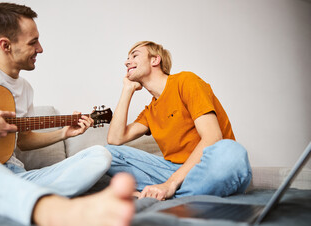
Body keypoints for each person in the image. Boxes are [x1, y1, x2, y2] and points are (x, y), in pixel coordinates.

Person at [0, 3, 134, 226]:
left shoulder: (25, 89)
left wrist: (64, 134)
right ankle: (43, 208)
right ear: (5, 45)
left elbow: (24, 142)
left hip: (14, 175)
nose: (40, 48)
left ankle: (4, 198)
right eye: (32, 42)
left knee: (100, 155)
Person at [106, 41, 252, 201]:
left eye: (134, 55)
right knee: (108, 153)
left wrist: (170, 184)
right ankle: (181, 193)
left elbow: (213, 137)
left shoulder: (186, 81)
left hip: (206, 166)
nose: (126, 62)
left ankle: (172, 193)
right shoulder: (149, 111)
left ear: (155, 60)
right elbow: (115, 139)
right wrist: (127, 89)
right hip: (172, 171)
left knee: (232, 152)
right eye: (127, 58)